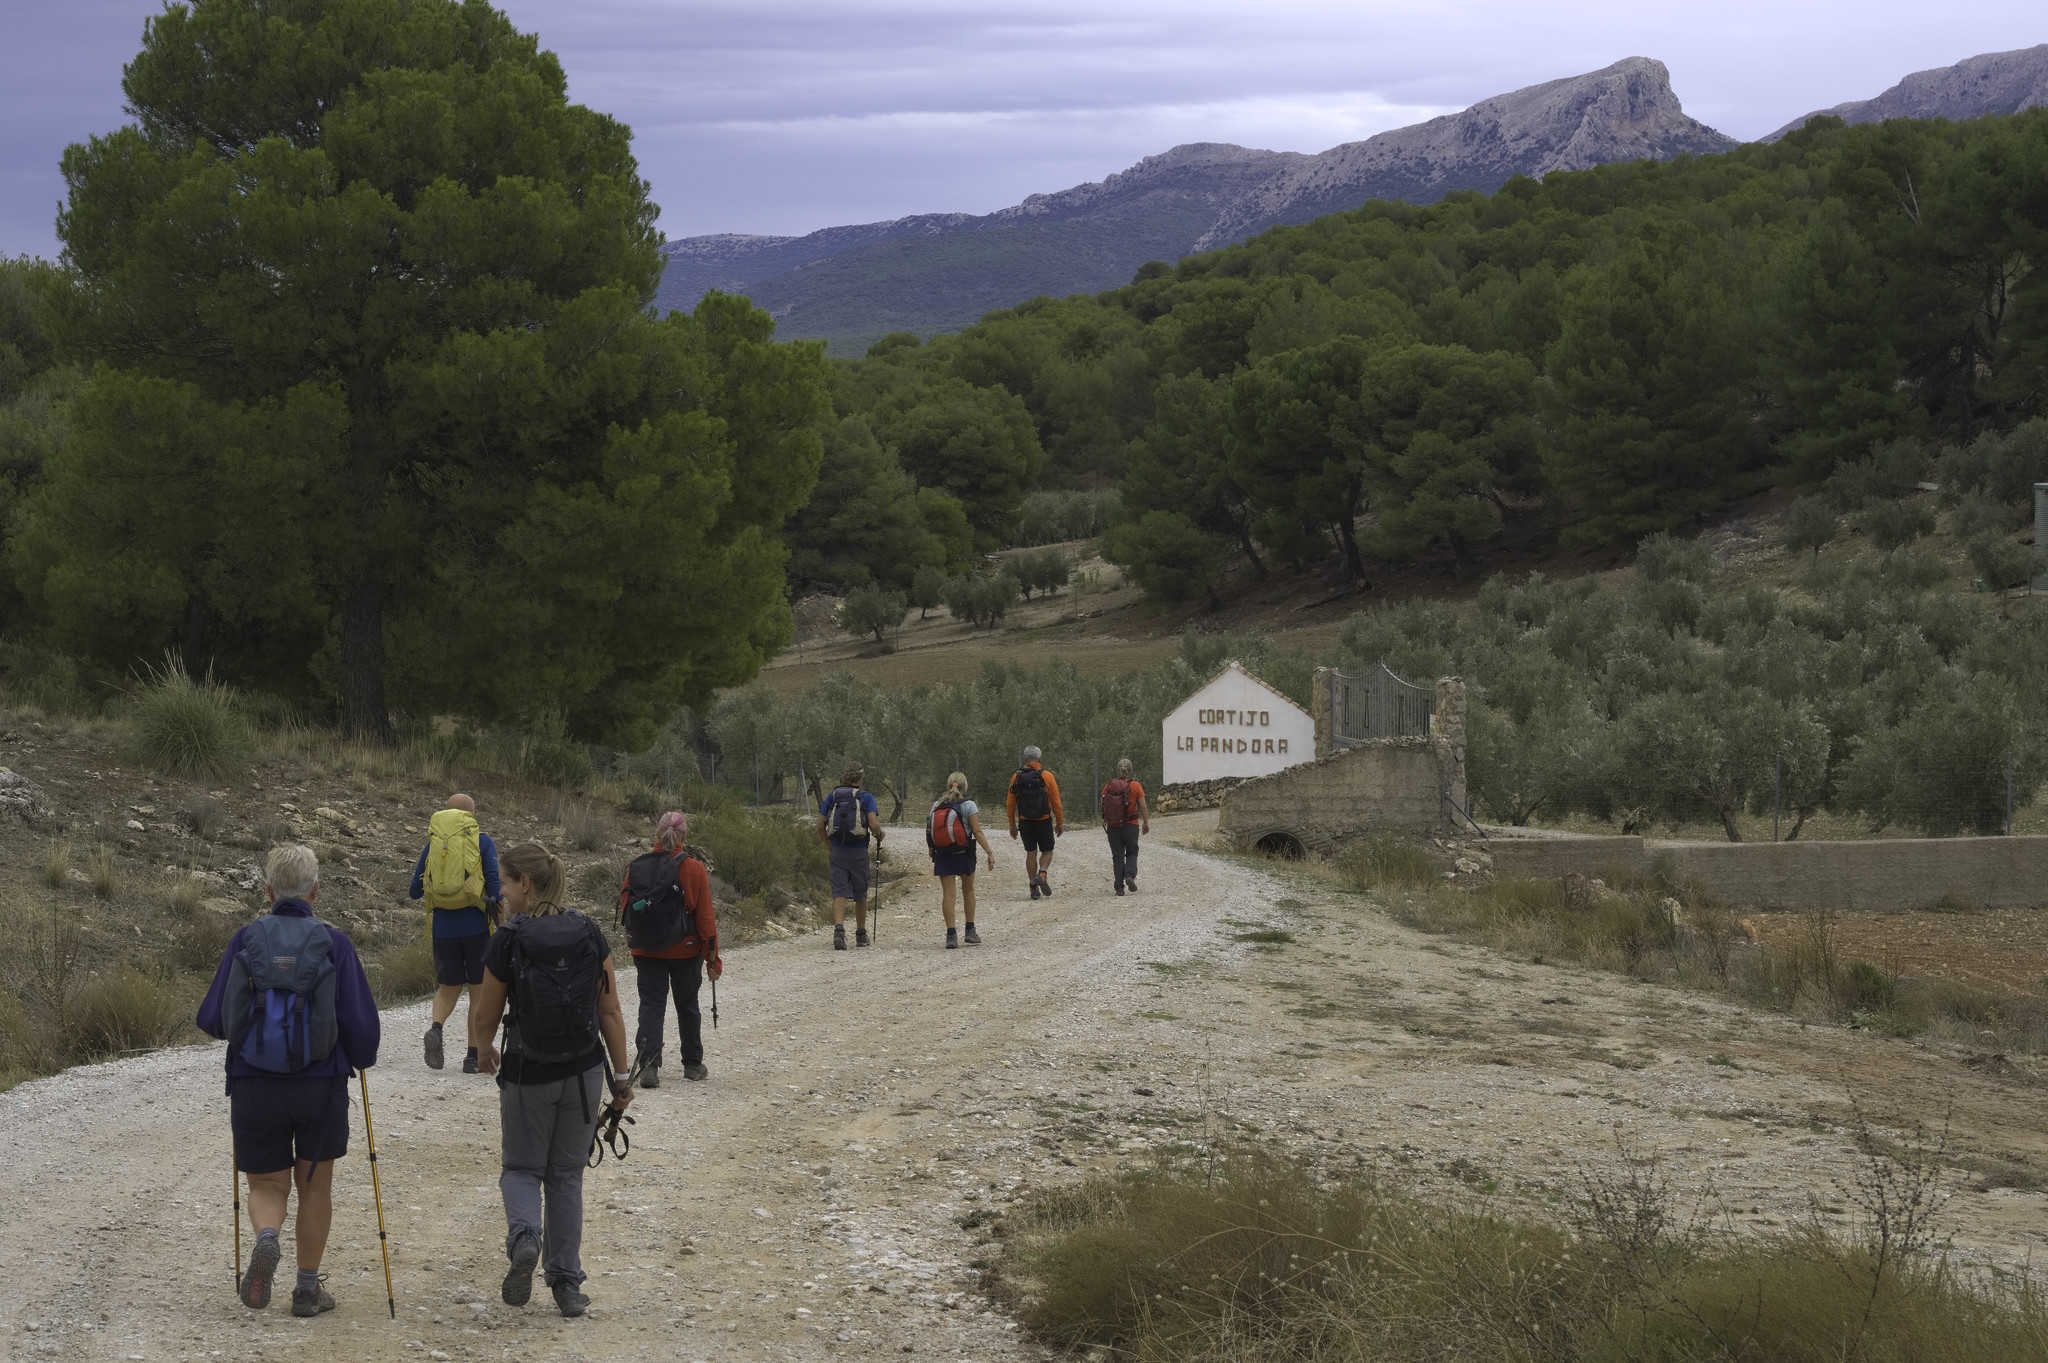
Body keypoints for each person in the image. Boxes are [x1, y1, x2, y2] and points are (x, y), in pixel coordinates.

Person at [196, 843, 381, 1318]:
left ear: (267, 890)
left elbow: (216, 1018)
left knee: (267, 1185)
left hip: (254, 1083)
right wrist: (359, 1057)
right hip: (320, 1085)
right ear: (315, 891)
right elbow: (360, 1030)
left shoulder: (245, 939)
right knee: (315, 1188)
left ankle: (266, 1238)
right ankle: (305, 1291)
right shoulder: (334, 944)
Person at [471, 841, 635, 1318]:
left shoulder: (509, 936)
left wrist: (484, 1050)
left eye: (503, 881)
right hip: (583, 1073)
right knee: (566, 1177)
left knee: (522, 1169)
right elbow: (610, 1009)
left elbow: (486, 1013)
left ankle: (525, 1238)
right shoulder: (587, 930)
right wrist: (621, 1080)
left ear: (525, 884)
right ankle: (566, 1283)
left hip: (528, 1073)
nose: (500, 892)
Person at [617, 811, 722, 1087]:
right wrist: (712, 959)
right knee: (687, 1005)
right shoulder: (694, 869)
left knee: (651, 1005)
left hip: (645, 949)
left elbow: (627, 907)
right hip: (684, 950)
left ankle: (649, 1068)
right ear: (684, 836)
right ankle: (692, 1065)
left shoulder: (637, 866)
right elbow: (705, 919)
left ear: (657, 834)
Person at [408, 792, 502, 1073]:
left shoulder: (433, 845)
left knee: (448, 988)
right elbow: (495, 888)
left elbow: (414, 891)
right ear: (471, 817)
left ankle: (436, 1028)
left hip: (443, 930)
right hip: (476, 928)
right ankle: (472, 1057)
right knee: (477, 992)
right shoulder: (481, 841)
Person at [817, 761, 886, 950]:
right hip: (858, 852)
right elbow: (873, 824)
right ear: (861, 778)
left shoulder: (833, 796)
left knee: (839, 891)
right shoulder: (866, 797)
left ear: (844, 777)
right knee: (860, 893)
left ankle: (839, 931)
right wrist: (879, 834)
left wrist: (829, 845)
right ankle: (861, 935)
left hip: (838, 851)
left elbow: (820, 825)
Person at [927, 770, 997, 949]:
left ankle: (951, 936)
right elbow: (977, 831)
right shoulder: (969, 805)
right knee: (968, 891)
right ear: (964, 787)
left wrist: (932, 849)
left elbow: (930, 830)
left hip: (943, 854)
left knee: (949, 894)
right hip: (964, 854)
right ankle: (970, 931)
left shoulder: (937, 804)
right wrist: (989, 851)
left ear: (948, 785)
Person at [1006, 745, 1064, 899]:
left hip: (1025, 821)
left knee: (1030, 852)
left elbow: (1010, 803)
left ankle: (1033, 887)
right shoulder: (1047, 776)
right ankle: (1043, 873)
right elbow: (1056, 801)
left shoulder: (1016, 777)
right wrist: (1060, 822)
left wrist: (1012, 824)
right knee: (1047, 850)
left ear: (1025, 759)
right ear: (1040, 758)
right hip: (1043, 820)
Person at [1099, 757, 1152, 895]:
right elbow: (1144, 807)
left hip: (1113, 826)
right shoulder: (1135, 785)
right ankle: (1129, 875)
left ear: (1117, 770)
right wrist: (1146, 823)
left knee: (1117, 856)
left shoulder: (1109, 785)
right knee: (1132, 852)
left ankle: (1119, 888)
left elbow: (1102, 803)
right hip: (1131, 825)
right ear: (1130, 770)